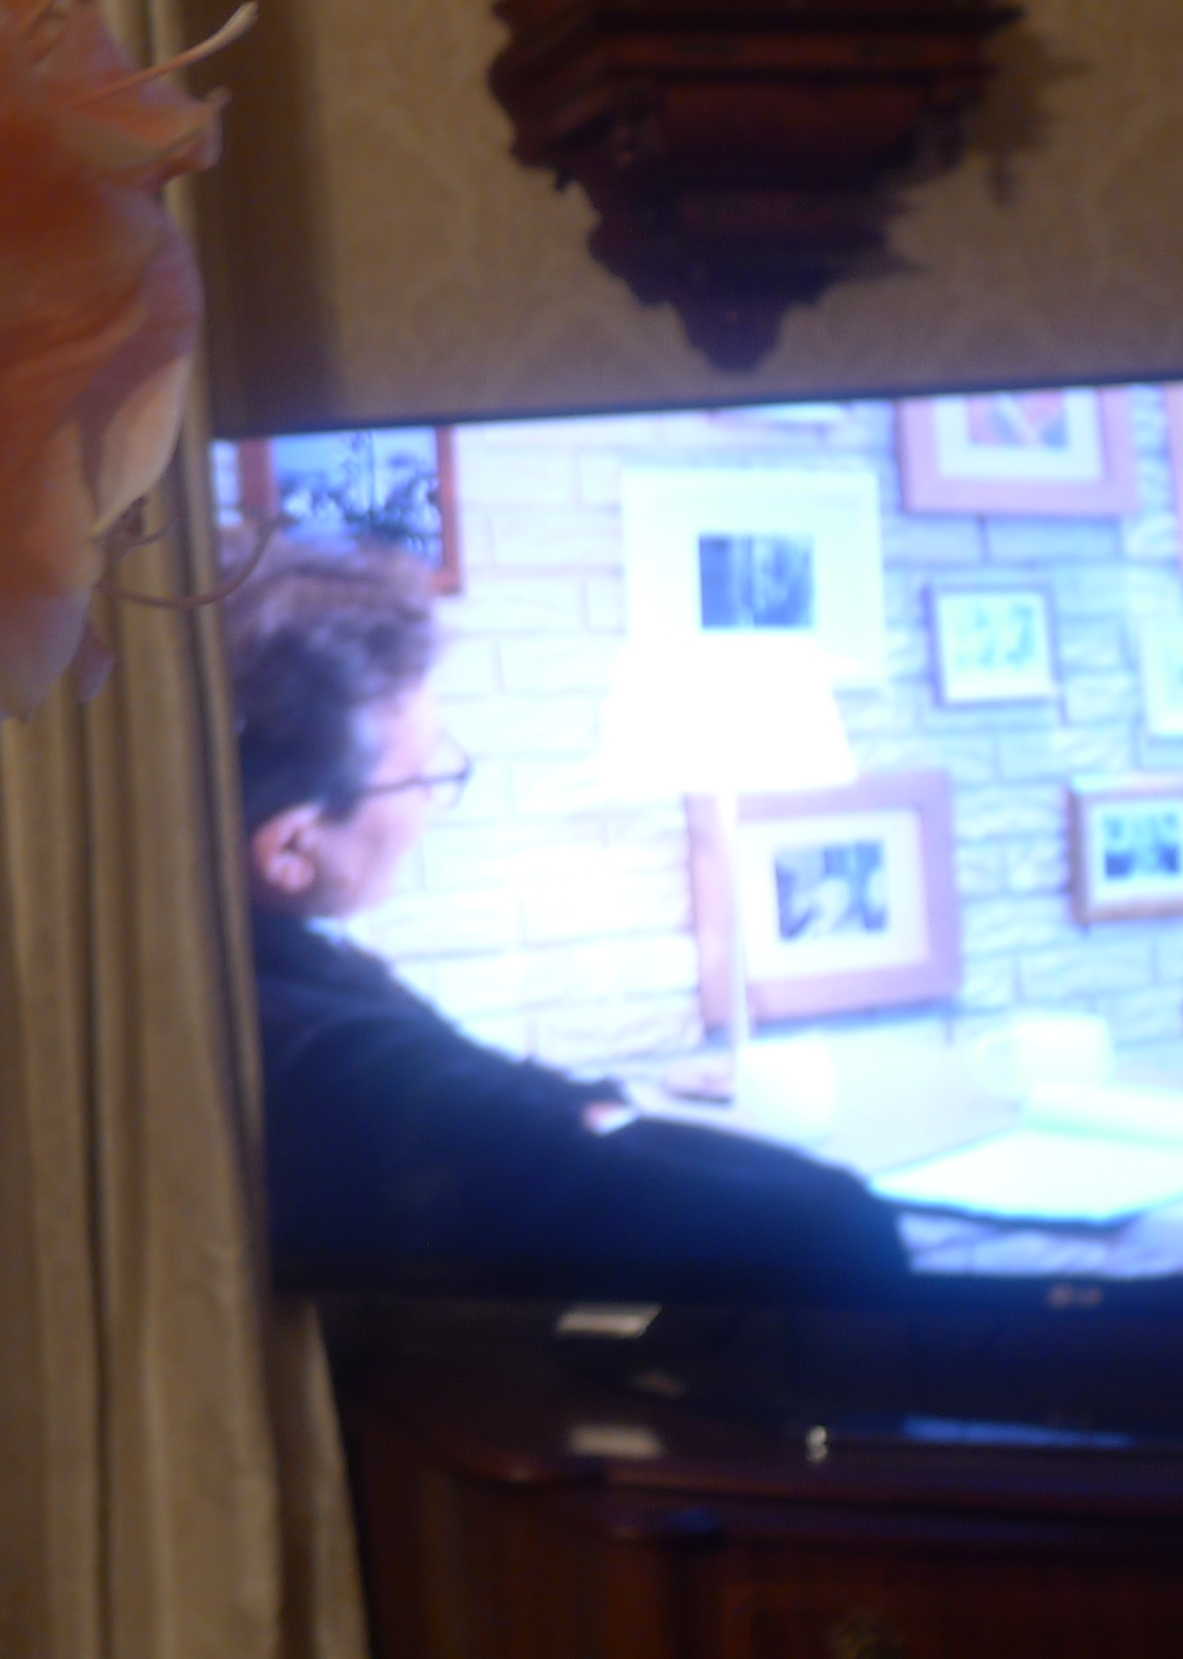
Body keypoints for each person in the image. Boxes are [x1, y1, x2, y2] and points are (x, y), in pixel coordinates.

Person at [226, 537, 911, 1294]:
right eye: (419, 777)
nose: (429, 803)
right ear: (292, 849)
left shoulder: (248, 969)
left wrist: (595, 1113)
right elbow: (834, 1231)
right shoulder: (331, 1063)